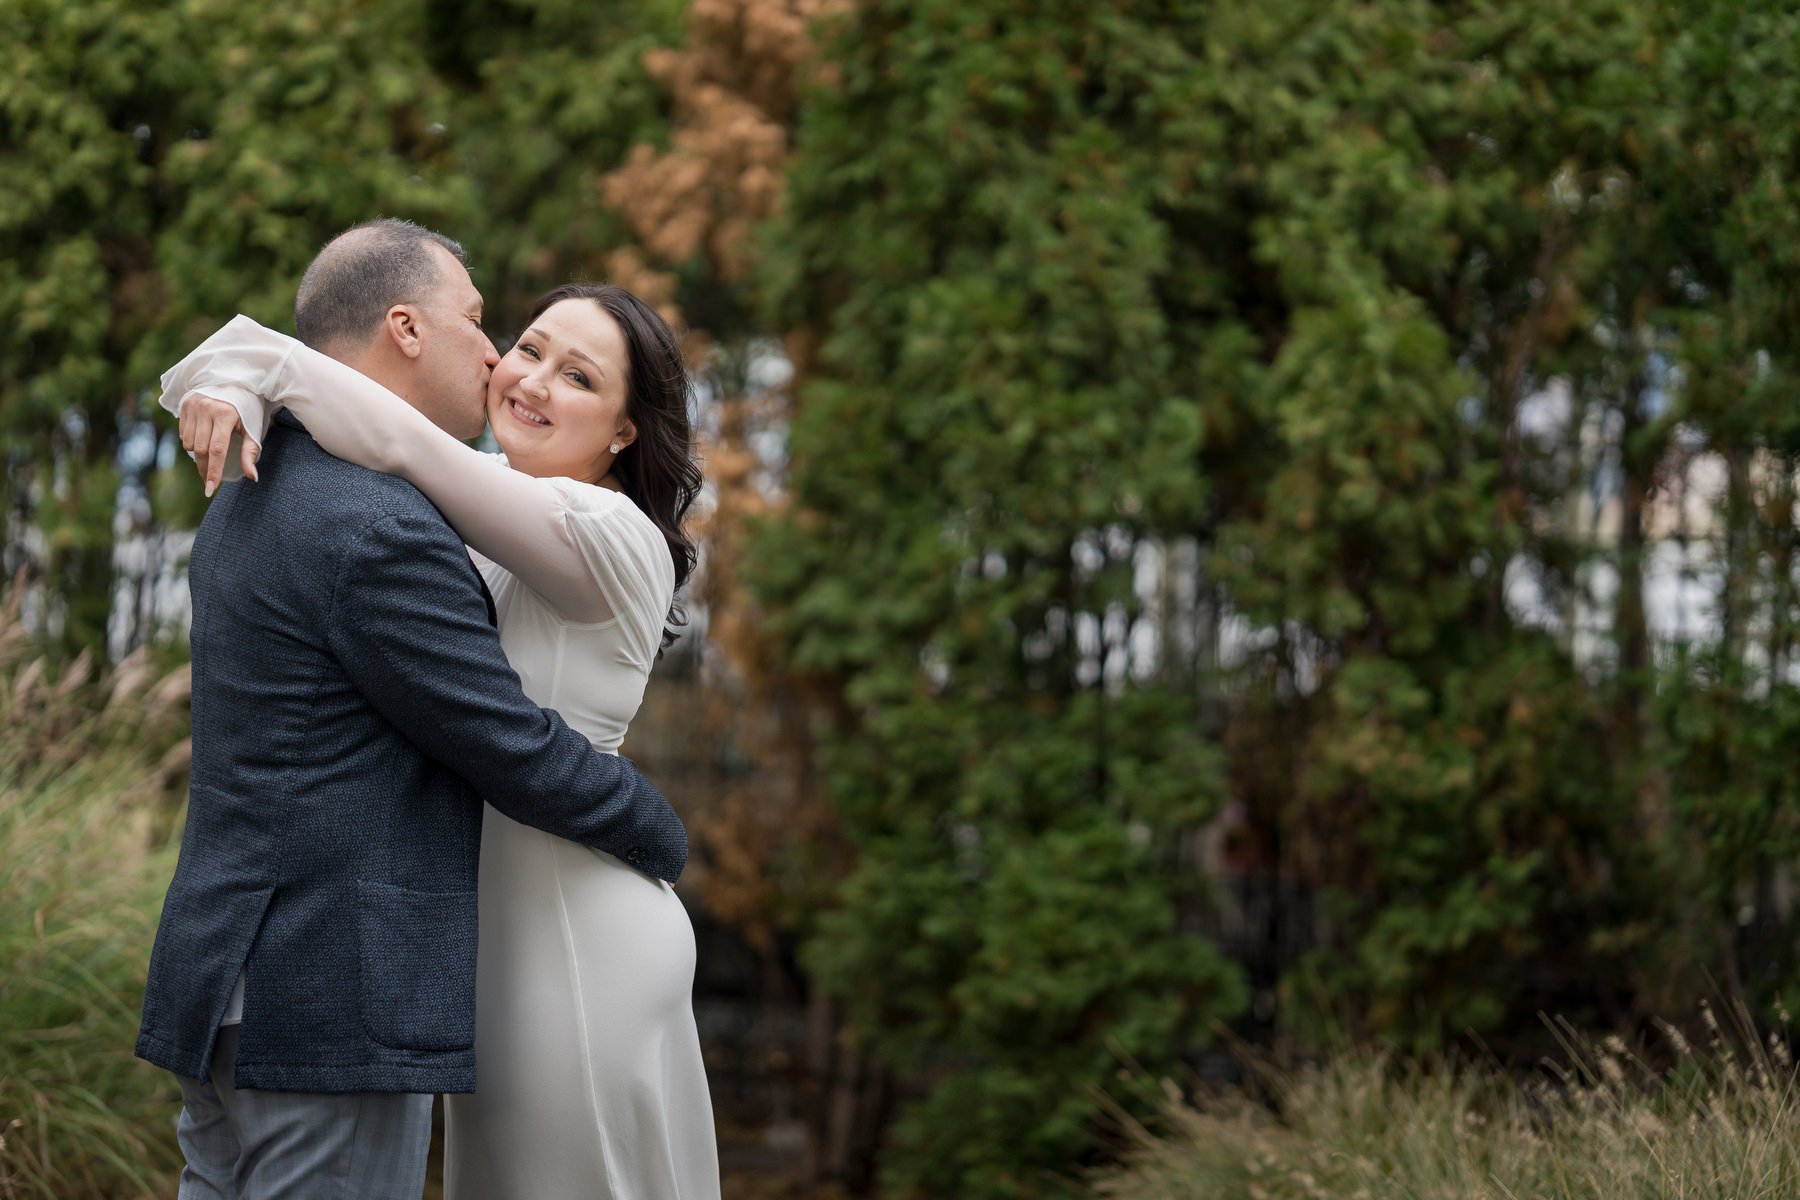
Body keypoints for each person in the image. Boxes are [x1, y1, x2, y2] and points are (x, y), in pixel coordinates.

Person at [137, 220, 690, 1199]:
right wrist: (237, 378)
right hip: (346, 977)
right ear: (404, 328)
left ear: (625, 432)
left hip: (559, 931)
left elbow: (390, 433)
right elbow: (504, 742)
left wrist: (236, 375)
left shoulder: (273, 493)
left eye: (580, 378)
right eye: (511, 338)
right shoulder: (391, 519)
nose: (506, 366)